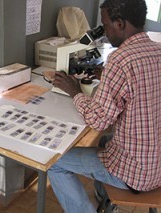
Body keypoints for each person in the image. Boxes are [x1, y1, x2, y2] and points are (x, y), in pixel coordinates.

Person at [47, 0, 161, 212]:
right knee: (107, 140)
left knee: (53, 162)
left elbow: (98, 120)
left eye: (105, 25)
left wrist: (74, 91)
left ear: (120, 24)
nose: (105, 32)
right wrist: (107, 78)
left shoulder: (120, 59)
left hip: (137, 174)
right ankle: (105, 199)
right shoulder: (156, 49)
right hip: (157, 164)